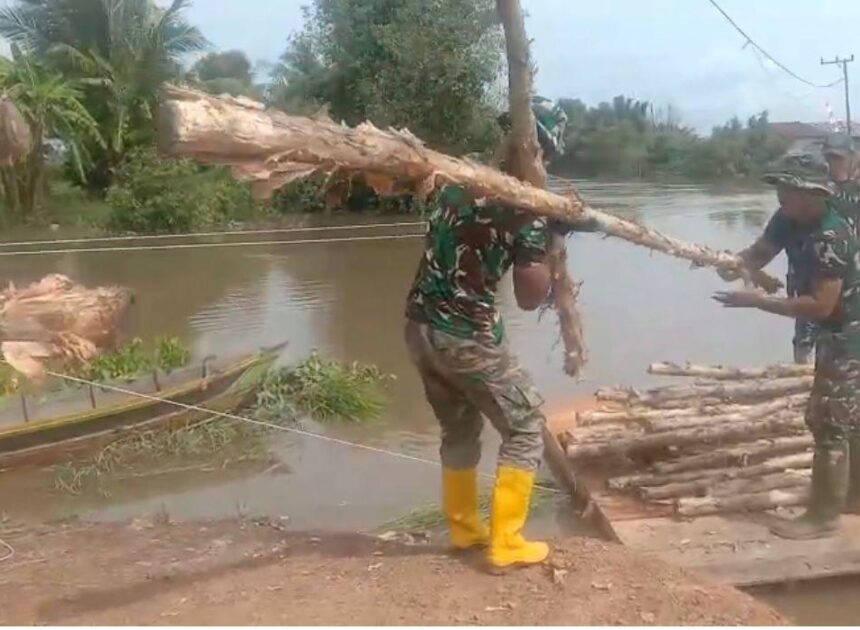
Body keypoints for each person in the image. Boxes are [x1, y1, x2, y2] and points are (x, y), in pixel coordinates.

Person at [403, 101, 576, 570]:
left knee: (459, 428)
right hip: (463, 336)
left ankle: (464, 530)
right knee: (524, 426)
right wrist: (553, 240)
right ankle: (507, 542)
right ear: (543, 152)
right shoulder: (525, 207)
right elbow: (527, 295)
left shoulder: (456, 178)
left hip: (420, 329)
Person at [714, 165, 860, 538]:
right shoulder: (787, 217)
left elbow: (821, 305)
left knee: (827, 419)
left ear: (815, 196)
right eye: (779, 190)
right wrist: (733, 264)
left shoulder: (831, 236)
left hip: (848, 330)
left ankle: (823, 517)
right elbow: (761, 251)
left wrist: (760, 301)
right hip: (835, 326)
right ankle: (852, 498)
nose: (780, 198)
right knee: (848, 415)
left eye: (788, 192)